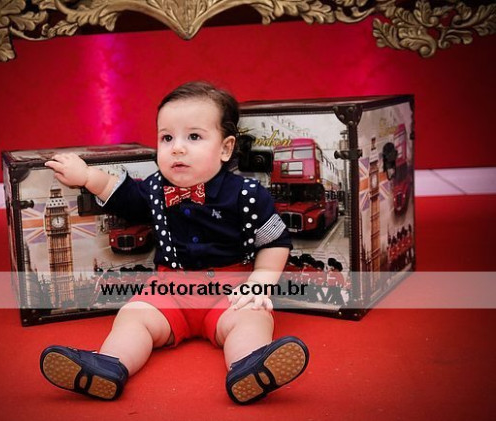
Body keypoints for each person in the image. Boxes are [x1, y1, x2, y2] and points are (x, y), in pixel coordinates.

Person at [40, 81, 309, 404]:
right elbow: (123, 195)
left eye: (193, 137)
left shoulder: (247, 194)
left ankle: (249, 366)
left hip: (231, 290)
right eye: (167, 138)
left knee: (252, 317)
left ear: (225, 149)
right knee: (133, 316)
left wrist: (260, 282)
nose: (177, 148)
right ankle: (108, 365)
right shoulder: (155, 188)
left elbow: (275, 241)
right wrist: (86, 177)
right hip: (169, 289)